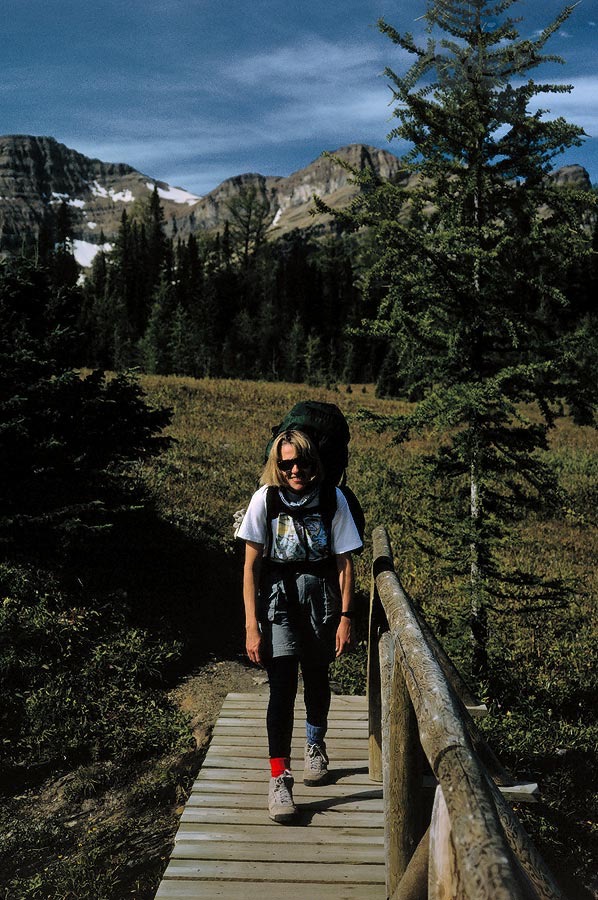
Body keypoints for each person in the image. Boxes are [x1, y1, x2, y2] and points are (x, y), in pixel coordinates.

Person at [237, 429, 362, 823]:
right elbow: (250, 567)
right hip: (279, 600)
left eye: (302, 462)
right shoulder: (265, 499)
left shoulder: (332, 497)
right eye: (286, 463)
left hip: (321, 599)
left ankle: (315, 744)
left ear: (314, 463)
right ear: (276, 464)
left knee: (318, 675)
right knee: (282, 686)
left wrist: (346, 617)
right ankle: (279, 779)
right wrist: (250, 626)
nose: (295, 470)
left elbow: (345, 562)